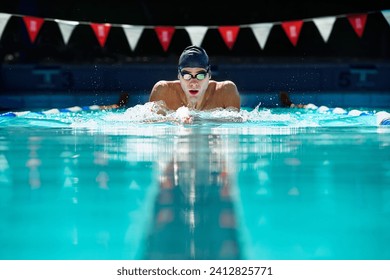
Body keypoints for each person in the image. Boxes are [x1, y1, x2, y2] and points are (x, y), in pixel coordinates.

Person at [148, 45, 241, 112]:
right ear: (179, 76)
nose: (193, 83)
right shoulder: (163, 92)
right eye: (187, 75)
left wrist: (196, 119)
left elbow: (235, 125)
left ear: (209, 75)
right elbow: (152, 126)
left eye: (200, 75)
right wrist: (179, 119)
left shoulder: (226, 91)